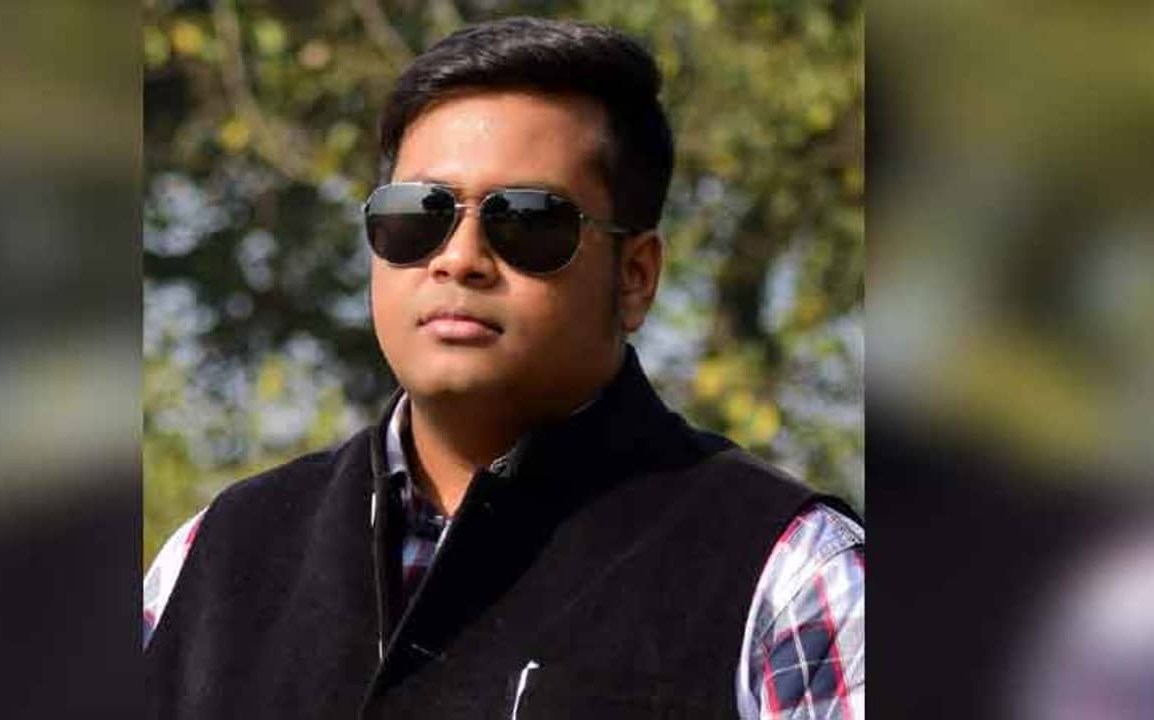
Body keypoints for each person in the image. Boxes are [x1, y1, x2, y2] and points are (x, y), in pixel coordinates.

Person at [144, 16, 863, 720]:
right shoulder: (214, 562)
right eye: (418, 214)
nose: (459, 258)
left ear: (636, 276)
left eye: (527, 220)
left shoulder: (789, 578)